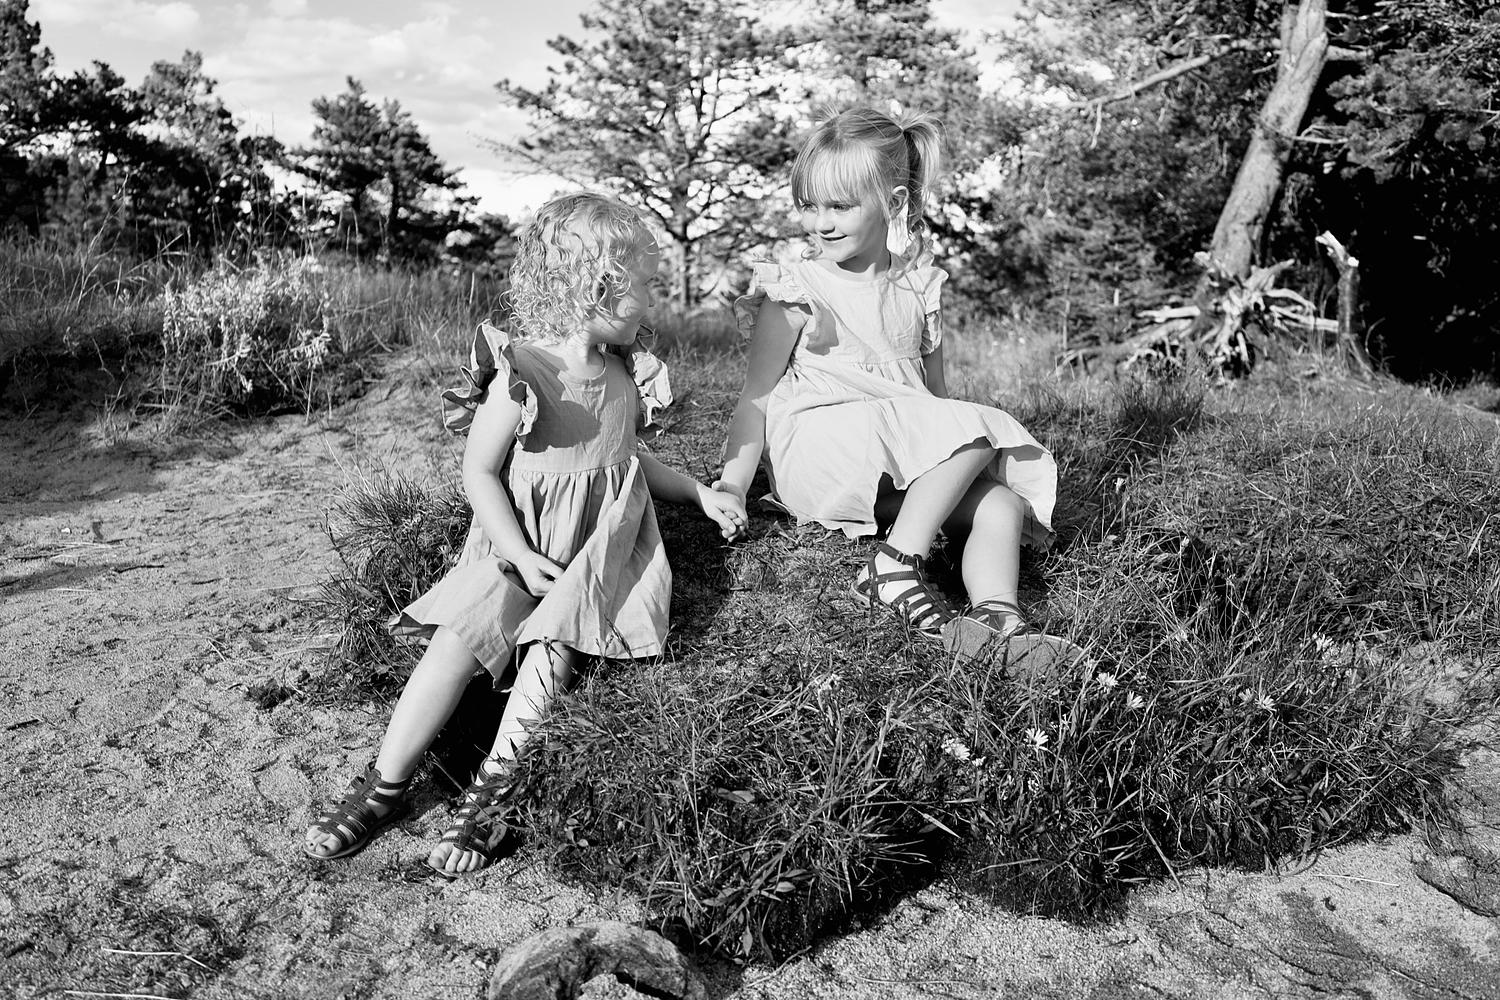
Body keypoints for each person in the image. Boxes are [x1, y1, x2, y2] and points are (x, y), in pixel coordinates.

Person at [305, 192, 747, 878]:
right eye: (644, 285)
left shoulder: (625, 372)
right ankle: (386, 784)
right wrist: (515, 551)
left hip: (591, 558)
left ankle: (492, 795)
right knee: (456, 642)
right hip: (516, 549)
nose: (652, 300)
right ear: (597, 287)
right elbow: (479, 473)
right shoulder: (524, 374)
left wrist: (699, 492)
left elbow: (630, 462)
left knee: (552, 649)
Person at [715, 107, 1060, 657]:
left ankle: (999, 620)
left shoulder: (919, 287)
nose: (821, 222)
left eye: (840, 206)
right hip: (822, 454)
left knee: (999, 503)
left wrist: (956, 477)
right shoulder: (797, 290)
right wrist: (734, 484)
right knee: (975, 428)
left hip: (894, 463)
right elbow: (754, 399)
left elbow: (936, 400)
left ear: (893, 203)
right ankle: (895, 566)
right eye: (809, 205)